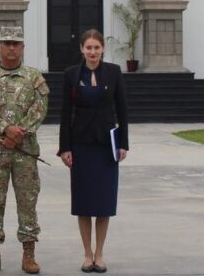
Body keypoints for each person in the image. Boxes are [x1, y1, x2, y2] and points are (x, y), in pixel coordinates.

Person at [0, 26, 49, 275]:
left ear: (23, 47)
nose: (11, 47)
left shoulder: (34, 77)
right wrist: (5, 128)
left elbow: (40, 107)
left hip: (25, 152)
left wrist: (19, 133)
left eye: (16, 43)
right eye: (7, 43)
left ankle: (29, 252)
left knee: (28, 201)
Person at [57, 29, 129, 273]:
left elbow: (122, 108)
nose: (92, 52)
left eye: (96, 48)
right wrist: (65, 147)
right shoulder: (71, 75)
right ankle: (87, 254)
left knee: (104, 203)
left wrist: (123, 143)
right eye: (88, 48)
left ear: (102, 49)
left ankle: (100, 254)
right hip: (81, 144)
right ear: (81, 50)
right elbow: (65, 112)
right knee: (85, 203)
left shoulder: (114, 72)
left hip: (106, 146)